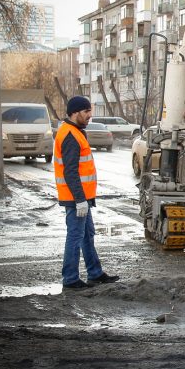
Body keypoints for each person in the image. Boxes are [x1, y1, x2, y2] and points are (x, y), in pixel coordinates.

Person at [54, 96, 120, 290]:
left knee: (86, 234)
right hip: (76, 198)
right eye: (86, 111)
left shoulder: (75, 131)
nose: (90, 115)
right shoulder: (70, 135)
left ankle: (95, 273)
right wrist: (80, 200)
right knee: (75, 236)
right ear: (75, 112)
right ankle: (71, 279)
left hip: (81, 197)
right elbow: (70, 171)